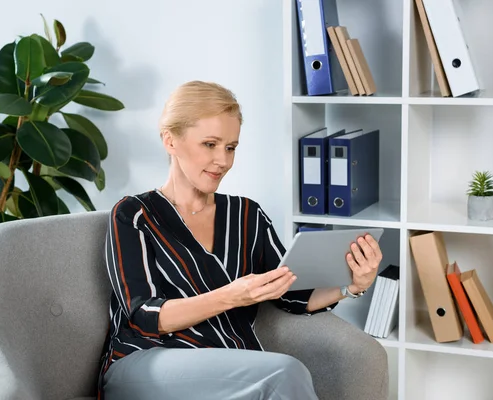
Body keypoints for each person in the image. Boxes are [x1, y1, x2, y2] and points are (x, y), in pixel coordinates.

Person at [97, 81, 383, 400]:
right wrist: (231, 296)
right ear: (170, 140)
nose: (223, 160)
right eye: (209, 144)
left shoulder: (247, 214)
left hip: (230, 363)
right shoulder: (134, 214)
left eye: (231, 147)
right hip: (145, 361)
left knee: (277, 376)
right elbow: (146, 315)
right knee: (285, 373)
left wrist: (352, 286)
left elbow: (291, 293)